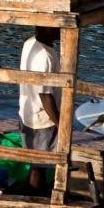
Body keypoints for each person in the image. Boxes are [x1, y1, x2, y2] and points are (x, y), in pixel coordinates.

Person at [19, 27, 60, 193]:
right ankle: (35, 198)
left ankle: (34, 194)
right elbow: (45, 96)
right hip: (42, 118)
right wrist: (60, 123)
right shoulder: (45, 56)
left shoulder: (30, 43)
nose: (60, 30)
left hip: (27, 112)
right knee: (39, 166)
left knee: (36, 164)